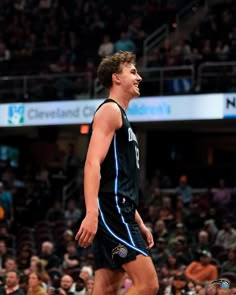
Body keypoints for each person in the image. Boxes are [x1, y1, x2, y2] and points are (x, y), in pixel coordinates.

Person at [75, 51, 159, 295]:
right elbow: (92, 164)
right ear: (116, 78)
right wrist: (92, 213)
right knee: (148, 284)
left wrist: (137, 220)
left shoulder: (122, 117)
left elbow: (118, 178)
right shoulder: (109, 111)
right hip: (112, 210)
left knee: (107, 288)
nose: (139, 77)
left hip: (120, 209)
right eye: (133, 72)